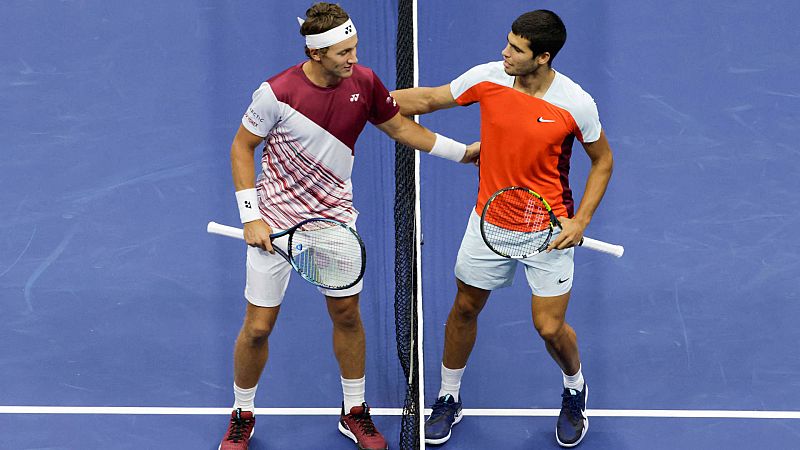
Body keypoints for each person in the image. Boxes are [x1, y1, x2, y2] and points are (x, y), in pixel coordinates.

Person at [218, 3, 479, 450]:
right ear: (316, 53)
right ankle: (242, 412)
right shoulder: (275, 93)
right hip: (275, 225)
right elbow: (242, 147)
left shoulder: (364, 82)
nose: (353, 59)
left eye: (354, 48)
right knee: (258, 327)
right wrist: (250, 216)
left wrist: (461, 153)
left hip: (333, 224)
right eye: (344, 52)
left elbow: (400, 128)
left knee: (346, 316)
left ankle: (354, 410)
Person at [390, 9, 613, 448]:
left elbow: (602, 160)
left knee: (549, 328)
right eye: (508, 43)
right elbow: (429, 100)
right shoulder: (489, 76)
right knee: (464, 308)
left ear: (543, 57)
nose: (504, 53)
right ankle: (448, 397)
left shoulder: (575, 103)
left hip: (548, 230)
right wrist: (362, 98)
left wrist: (581, 219)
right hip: (488, 221)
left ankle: (575, 388)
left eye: (516, 49)